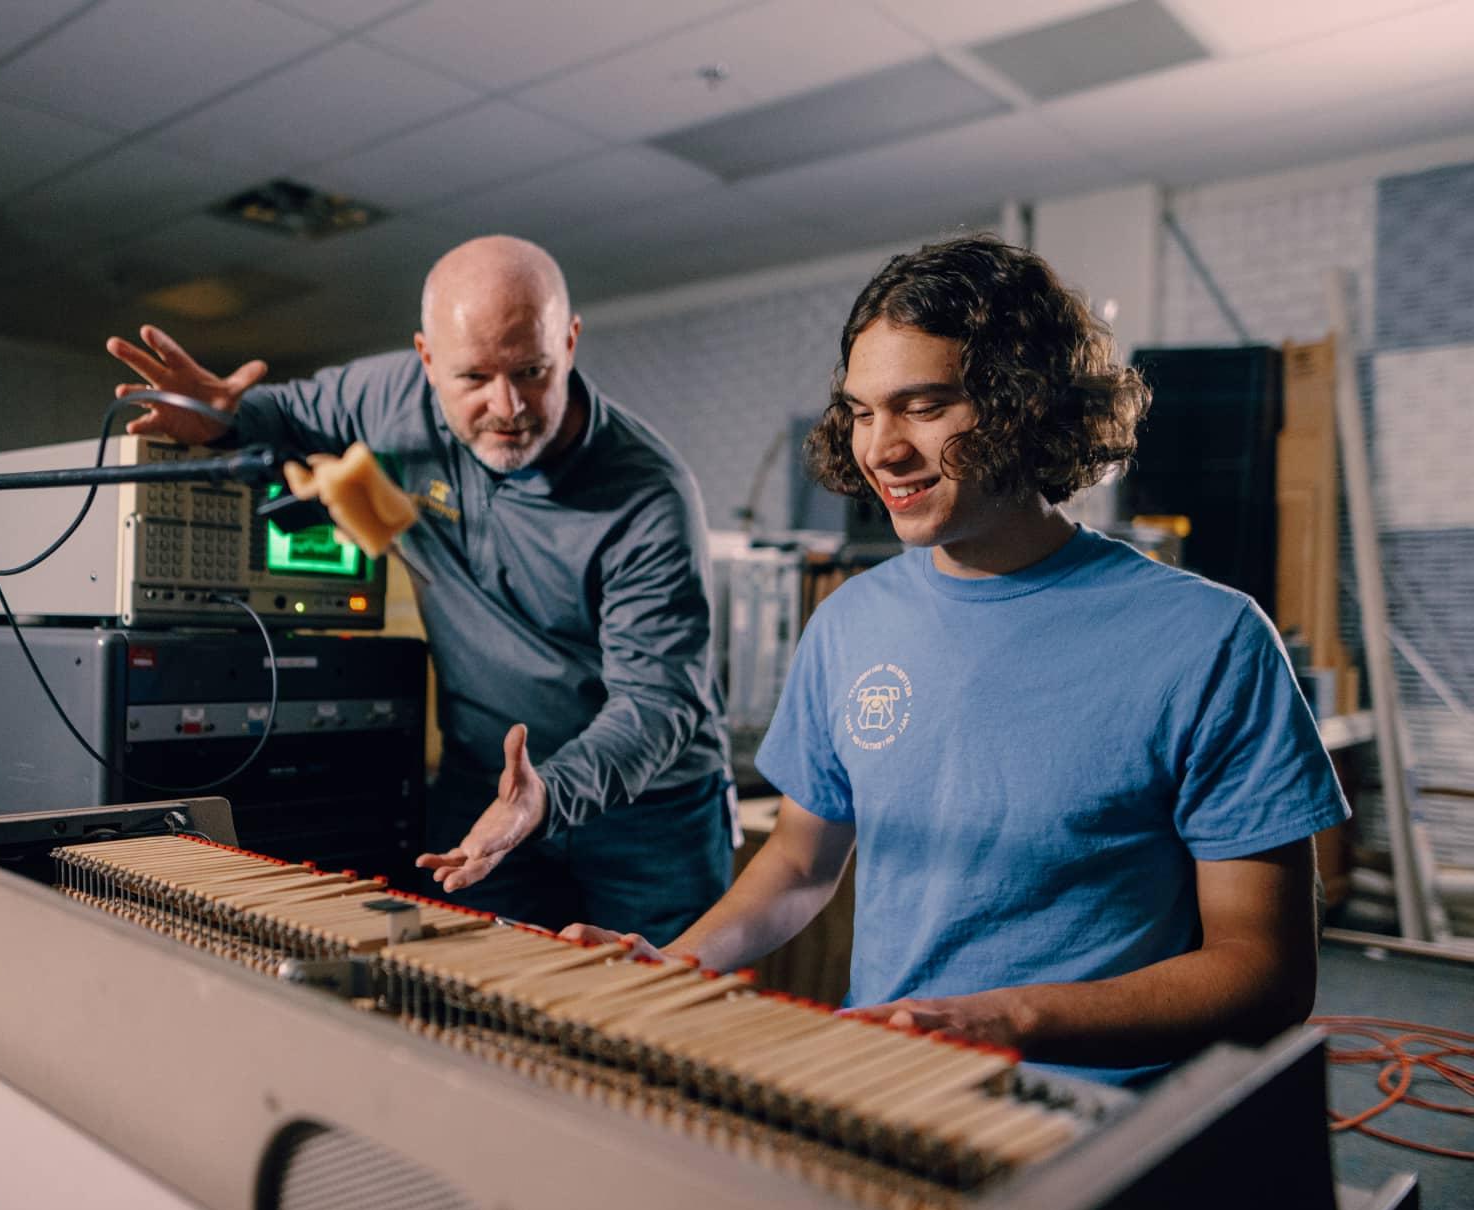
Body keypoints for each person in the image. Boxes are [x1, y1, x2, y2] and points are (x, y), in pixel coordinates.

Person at [561, 235, 1344, 1087]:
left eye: (923, 406)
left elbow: (1264, 975)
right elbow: (798, 863)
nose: (881, 449)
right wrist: (676, 961)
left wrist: (1004, 1020)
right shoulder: (848, 621)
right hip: (888, 1090)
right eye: (862, 412)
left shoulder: (1211, 641)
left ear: (1027, 405)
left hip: (1093, 1119)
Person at [105, 235, 733, 944]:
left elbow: (657, 701)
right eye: (474, 378)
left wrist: (548, 796)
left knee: (650, 1027)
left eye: (532, 370)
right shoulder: (388, 397)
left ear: (571, 340)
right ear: (426, 359)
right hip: (484, 781)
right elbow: (280, 415)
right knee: (475, 1003)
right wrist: (228, 419)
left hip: (651, 810)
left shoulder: (649, 492)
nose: (509, 406)